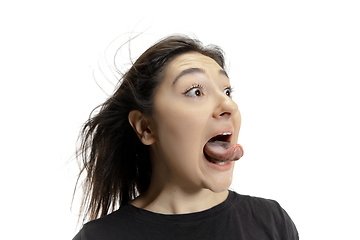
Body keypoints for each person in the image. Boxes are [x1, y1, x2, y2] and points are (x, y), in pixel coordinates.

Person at [72, 35, 299, 240]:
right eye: (196, 92)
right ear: (146, 127)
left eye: (227, 91)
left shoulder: (271, 222)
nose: (230, 105)